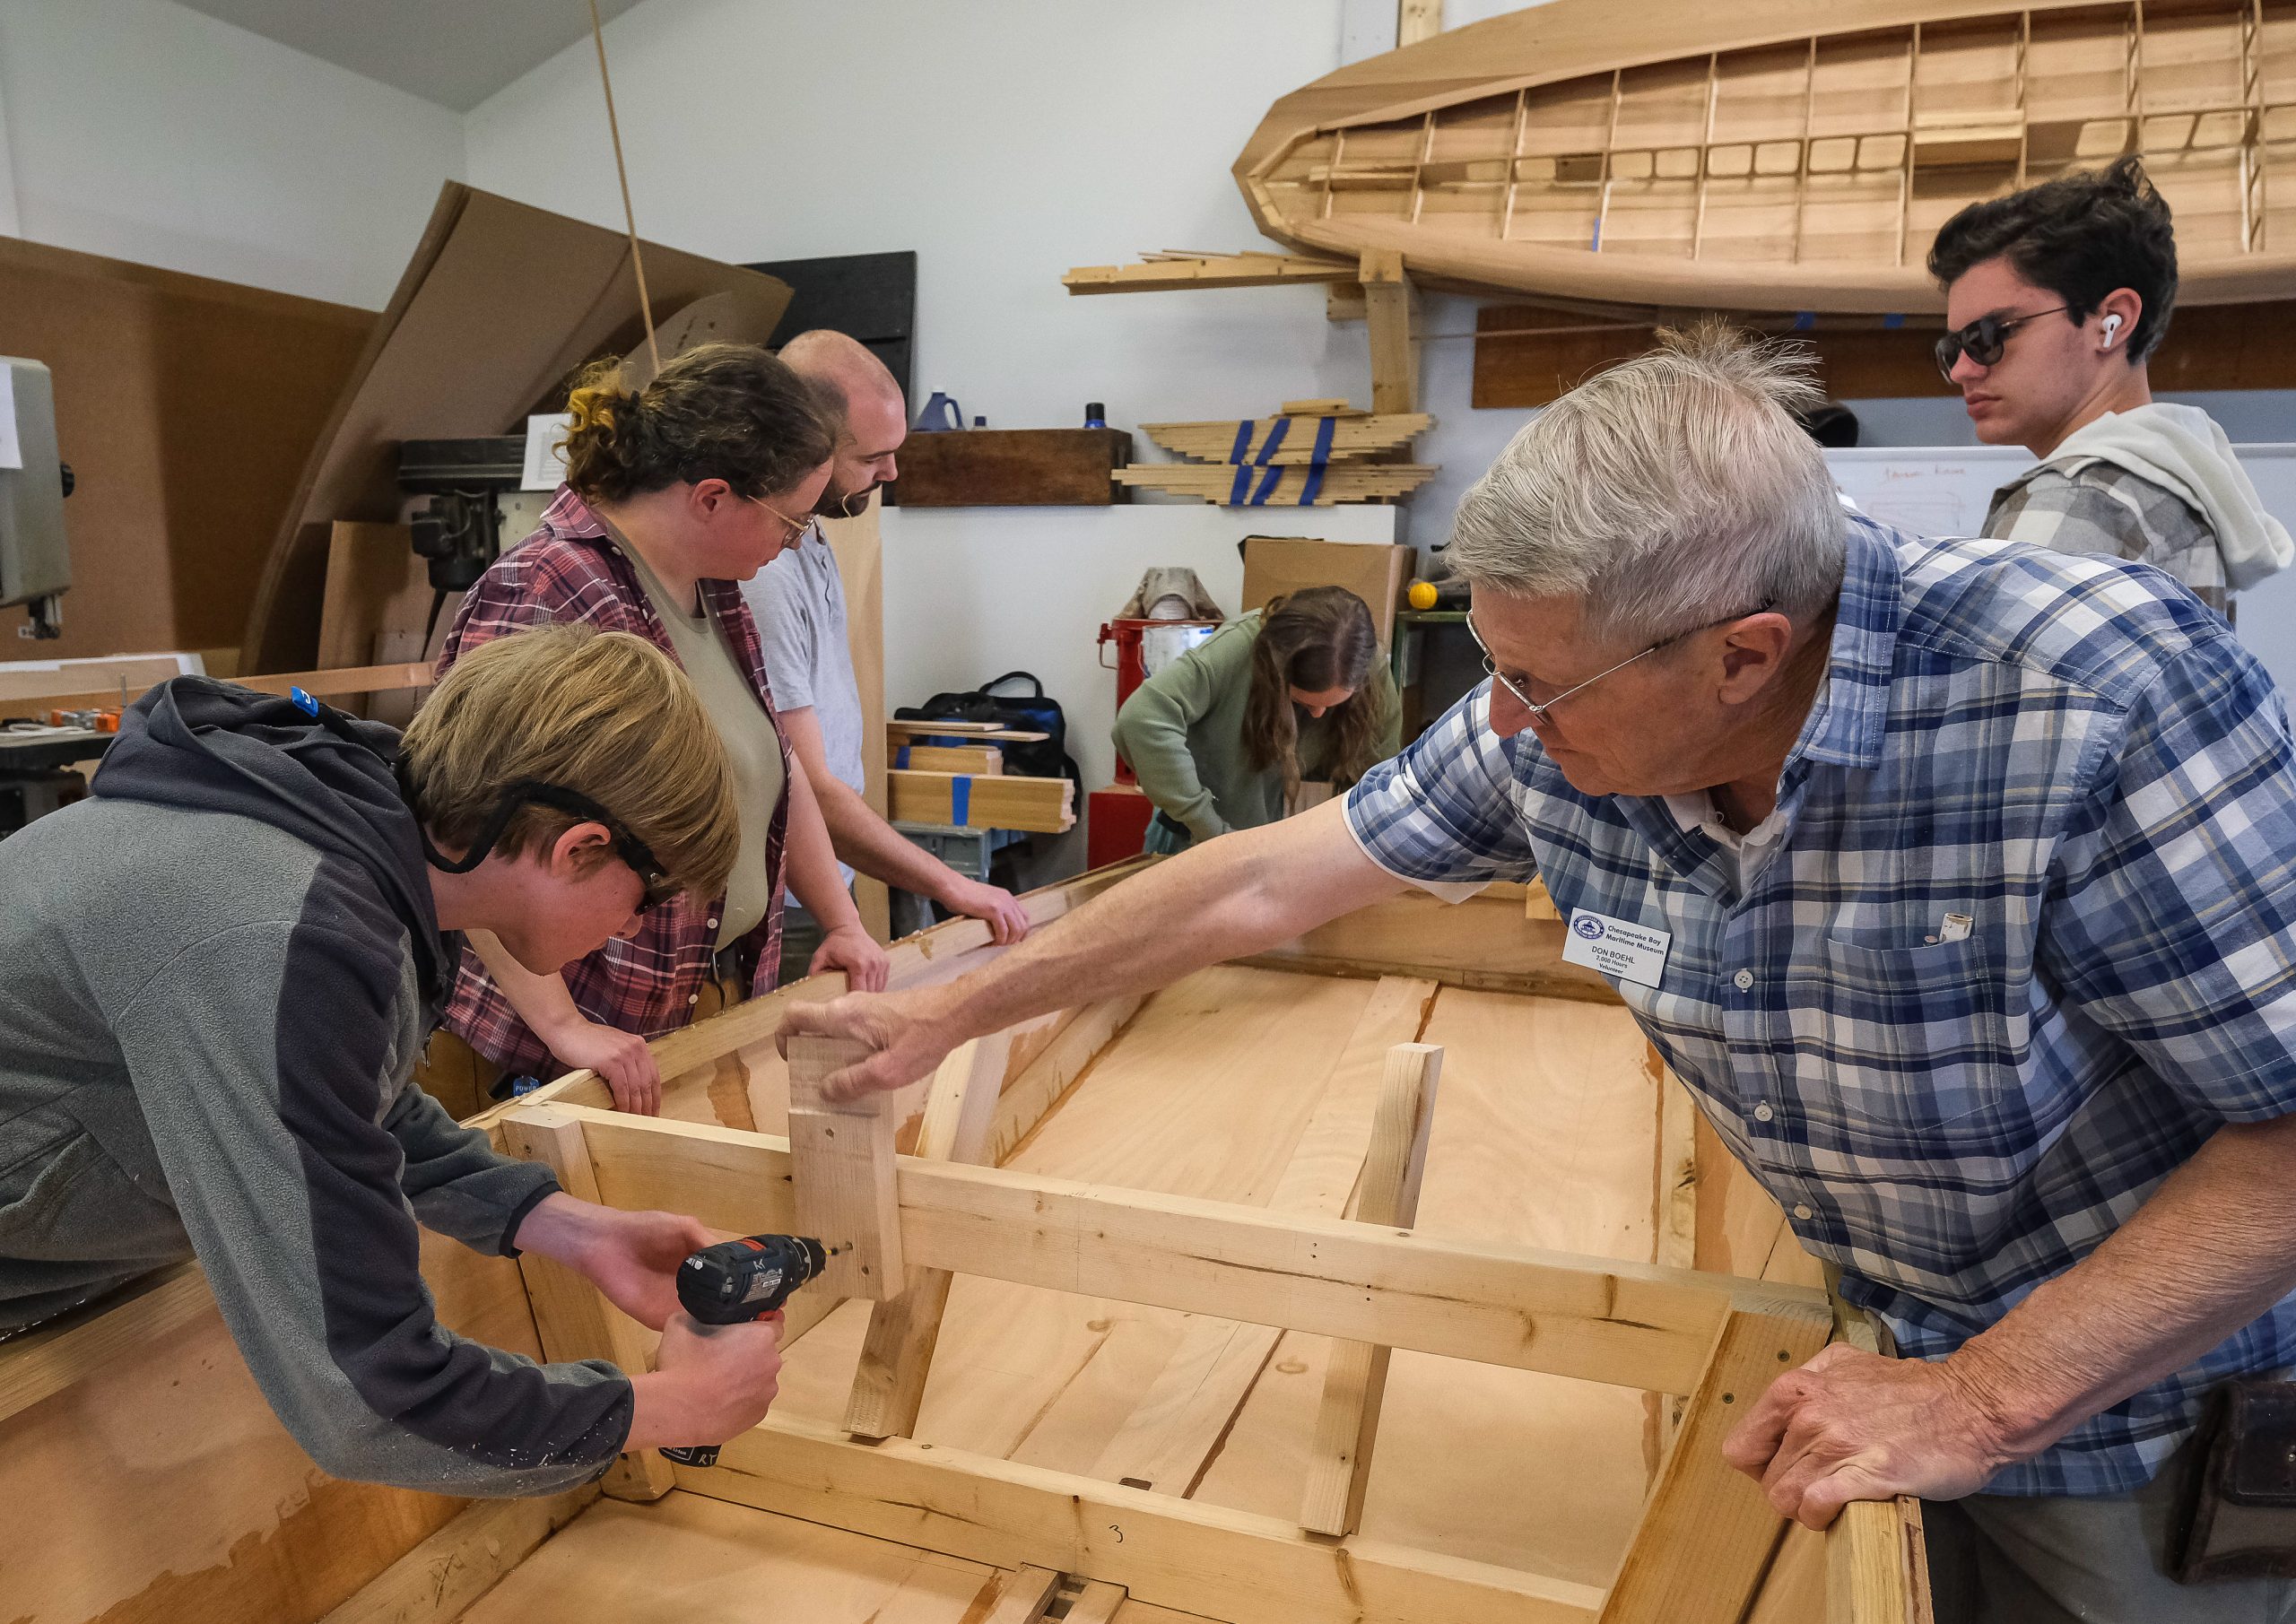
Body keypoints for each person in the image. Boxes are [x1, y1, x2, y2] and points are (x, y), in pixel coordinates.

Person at [785, 324, 2296, 1622]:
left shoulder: (2094, 702)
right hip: (1873, 1348)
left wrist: (1984, 1397)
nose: (1500, 727)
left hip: (2134, 1417)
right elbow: (1260, 878)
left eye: (1540, 684)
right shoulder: (1568, 725)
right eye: (1489, 666)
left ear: (1745, 656)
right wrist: (949, 1011)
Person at [0, 625, 786, 1493]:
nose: (636, 927)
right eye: (649, 897)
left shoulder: (342, 839)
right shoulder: (278, 932)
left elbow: (326, 1098)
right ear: (577, 849)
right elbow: (366, 1396)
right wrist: (666, 1406)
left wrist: (564, 1224)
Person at [433, 342, 890, 1116]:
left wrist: (842, 922)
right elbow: (458, 828)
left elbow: (776, 774)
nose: (796, 541)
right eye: (793, 520)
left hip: (688, 1003)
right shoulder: (547, 587)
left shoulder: (718, 593)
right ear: (712, 498)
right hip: (556, 1048)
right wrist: (561, 1024)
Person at [742, 330, 1030, 983]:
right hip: (783, 899)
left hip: (818, 882)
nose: (892, 473)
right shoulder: (767, 576)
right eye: (874, 456)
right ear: (806, 446)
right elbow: (806, 787)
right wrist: (952, 886)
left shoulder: (811, 536)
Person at [1930, 155, 2292, 617]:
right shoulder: (2179, 482)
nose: (1962, 369)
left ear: (2113, 321)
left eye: (1989, 336)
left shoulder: (2083, 498)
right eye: (1953, 347)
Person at [1111, 585, 1401, 855]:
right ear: (1276, 669)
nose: (1317, 715)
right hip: (1192, 841)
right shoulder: (1240, 647)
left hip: (1259, 845)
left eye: (1332, 705)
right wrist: (1213, 831)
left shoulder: (1367, 666)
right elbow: (1142, 719)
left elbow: (1378, 783)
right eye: (1301, 702)